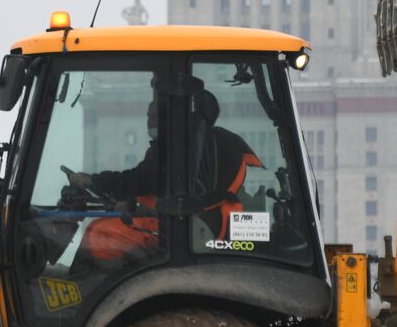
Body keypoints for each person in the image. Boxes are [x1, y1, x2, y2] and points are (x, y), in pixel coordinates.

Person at [69, 89, 262, 256]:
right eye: (148, 117)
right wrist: (98, 184)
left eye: (153, 117)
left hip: (187, 229)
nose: (149, 122)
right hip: (194, 224)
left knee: (98, 235)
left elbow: (136, 180)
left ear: (170, 118)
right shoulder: (204, 141)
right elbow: (141, 181)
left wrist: (95, 182)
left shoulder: (178, 146)